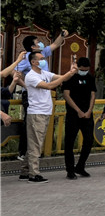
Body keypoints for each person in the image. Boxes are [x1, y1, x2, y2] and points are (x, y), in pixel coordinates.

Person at [21, 51, 77, 183]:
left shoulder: (44, 73)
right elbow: (49, 86)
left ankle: (25, 170)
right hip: (36, 113)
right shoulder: (31, 76)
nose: (44, 60)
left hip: (45, 112)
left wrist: (71, 71)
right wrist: (67, 75)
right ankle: (33, 174)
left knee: (35, 143)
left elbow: (61, 77)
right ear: (33, 62)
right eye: (41, 59)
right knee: (36, 144)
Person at [15, 31, 66, 161]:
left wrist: (62, 34)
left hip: (44, 93)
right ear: (33, 47)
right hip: (32, 94)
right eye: (38, 43)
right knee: (30, 125)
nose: (41, 44)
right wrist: (26, 85)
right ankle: (24, 152)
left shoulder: (41, 54)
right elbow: (15, 73)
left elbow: (55, 44)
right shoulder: (27, 58)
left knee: (40, 128)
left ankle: (35, 154)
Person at [61, 57, 96, 179]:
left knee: (89, 140)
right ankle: (70, 170)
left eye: (86, 70)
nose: (84, 72)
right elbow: (66, 95)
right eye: (82, 70)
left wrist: (89, 111)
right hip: (73, 115)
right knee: (69, 143)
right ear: (77, 67)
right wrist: (78, 111)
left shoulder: (90, 78)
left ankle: (80, 166)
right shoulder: (70, 77)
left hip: (87, 115)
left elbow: (93, 94)